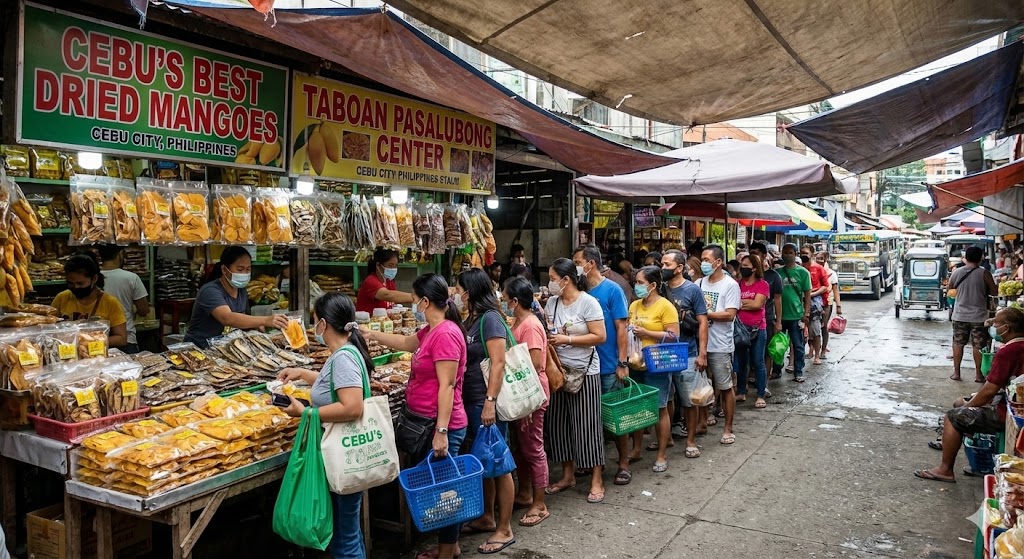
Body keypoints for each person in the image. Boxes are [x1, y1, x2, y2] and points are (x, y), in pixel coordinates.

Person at [362, 274, 467, 559]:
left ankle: (447, 551)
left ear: (426, 301)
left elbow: (447, 386)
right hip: (426, 421)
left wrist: (441, 432)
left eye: (413, 299)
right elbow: (408, 342)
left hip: (439, 423)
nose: (411, 303)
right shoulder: (431, 330)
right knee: (439, 486)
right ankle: (449, 545)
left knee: (445, 490)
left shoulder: (445, 334)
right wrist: (372, 335)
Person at [275, 292, 377, 559]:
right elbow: (333, 383)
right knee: (347, 534)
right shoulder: (345, 352)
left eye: (314, 322)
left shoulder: (343, 356)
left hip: (341, 457)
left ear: (323, 323)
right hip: (342, 456)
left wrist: (306, 412)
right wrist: (303, 374)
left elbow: (352, 406)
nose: (313, 328)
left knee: (344, 541)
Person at [915, 307, 1024, 482]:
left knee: (954, 416)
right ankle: (950, 441)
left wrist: (969, 406)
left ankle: (945, 470)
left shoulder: (1008, 351)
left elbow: (989, 390)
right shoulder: (1017, 346)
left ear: (1007, 328)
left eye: (997, 324)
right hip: (1012, 402)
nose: (993, 328)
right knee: (960, 402)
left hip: (1009, 412)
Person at [454, 269, 515, 554]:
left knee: (499, 465)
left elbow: (499, 362)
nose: (456, 293)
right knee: (484, 463)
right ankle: (487, 517)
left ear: (470, 291)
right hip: (473, 400)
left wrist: (490, 401)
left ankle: (505, 529)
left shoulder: (490, 319)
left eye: (459, 288)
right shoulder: (473, 318)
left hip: (485, 402)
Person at [542, 258, 608, 503]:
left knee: (587, 426)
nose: (550, 283)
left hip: (585, 371)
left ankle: (596, 479)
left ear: (566, 279)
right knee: (559, 426)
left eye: (552, 278)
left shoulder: (589, 303)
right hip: (559, 371)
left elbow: (600, 336)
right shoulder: (552, 303)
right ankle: (568, 475)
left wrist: (566, 340)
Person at [571, 246, 631, 485]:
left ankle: (623, 463)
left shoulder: (612, 290)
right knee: (591, 420)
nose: (575, 266)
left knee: (615, 419)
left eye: (577, 261)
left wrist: (622, 362)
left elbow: (621, 328)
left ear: (590, 264)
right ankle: (594, 461)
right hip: (585, 366)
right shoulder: (580, 291)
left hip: (608, 365)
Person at [503, 277, 551, 527]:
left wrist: (529, 405)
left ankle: (539, 503)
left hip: (530, 393)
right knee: (522, 448)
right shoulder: (518, 322)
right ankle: (525, 493)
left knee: (533, 448)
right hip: (520, 393)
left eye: (505, 295)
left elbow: (534, 363)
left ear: (514, 300)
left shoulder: (530, 325)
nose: (502, 298)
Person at [626, 266, 680, 472]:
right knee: (638, 406)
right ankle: (637, 448)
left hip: (657, 362)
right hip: (635, 361)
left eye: (640, 283)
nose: (637, 286)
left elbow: (674, 335)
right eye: (636, 282)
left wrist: (647, 332)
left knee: (659, 407)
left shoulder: (665, 306)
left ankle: (662, 454)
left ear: (653, 285)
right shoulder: (634, 305)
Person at [185, 246, 288, 348]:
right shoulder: (210, 291)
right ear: (224, 270)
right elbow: (227, 318)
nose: (244, 274)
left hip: (222, 348)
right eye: (240, 269)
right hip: (199, 349)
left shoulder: (241, 290)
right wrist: (265, 320)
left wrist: (255, 326)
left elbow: (241, 318)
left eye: (248, 269)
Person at [661, 250, 708, 457]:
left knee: (690, 400)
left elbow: (703, 322)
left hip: (688, 351)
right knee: (667, 398)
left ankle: (690, 440)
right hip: (663, 353)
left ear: (679, 268)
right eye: (662, 264)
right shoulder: (659, 289)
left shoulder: (692, 290)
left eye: (667, 265)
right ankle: (667, 437)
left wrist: (702, 353)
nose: (663, 268)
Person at [697, 245, 741, 445]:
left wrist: (704, 315)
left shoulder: (730, 285)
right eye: (702, 259)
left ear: (718, 262)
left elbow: (730, 314)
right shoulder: (698, 283)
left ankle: (728, 428)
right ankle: (703, 421)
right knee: (701, 386)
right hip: (700, 345)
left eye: (707, 259)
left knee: (724, 386)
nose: (704, 263)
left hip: (721, 345)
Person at [52, 253, 129, 348]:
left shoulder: (110, 302)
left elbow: (121, 339)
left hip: (98, 354)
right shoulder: (61, 298)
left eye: (80, 283)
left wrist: (87, 342)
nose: (75, 287)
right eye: (71, 283)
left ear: (94, 279)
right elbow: (50, 330)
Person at [949, 246, 997, 382]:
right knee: (978, 345)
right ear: (981, 257)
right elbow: (994, 292)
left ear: (966, 257)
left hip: (959, 315)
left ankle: (957, 373)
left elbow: (950, 290)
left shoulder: (956, 272)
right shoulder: (984, 273)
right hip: (979, 316)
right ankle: (978, 375)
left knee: (958, 343)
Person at [97, 245, 149, 354]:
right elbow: (144, 310)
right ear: (120, 254)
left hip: (98, 340)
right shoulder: (131, 278)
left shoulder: (92, 279)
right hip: (126, 339)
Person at [735, 254, 770, 409]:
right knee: (742, 362)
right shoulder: (737, 284)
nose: (743, 268)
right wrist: (746, 303)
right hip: (740, 328)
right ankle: (742, 391)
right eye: (742, 264)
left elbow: (757, 304)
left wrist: (740, 303)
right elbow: (733, 303)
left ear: (755, 268)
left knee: (758, 361)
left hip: (758, 328)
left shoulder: (762, 284)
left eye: (747, 265)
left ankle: (760, 394)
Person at [777, 244, 812, 382]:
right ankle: (776, 369)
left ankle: (798, 370)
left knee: (798, 345)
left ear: (795, 254)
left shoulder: (803, 273)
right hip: (779, 316)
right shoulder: (777, 273)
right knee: (777, 345)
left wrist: (807, 313)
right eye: (785, 252)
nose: (787, 255)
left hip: (796, 315)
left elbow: (807, 294)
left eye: (790, 253)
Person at [750, 243, 783, 380]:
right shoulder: (746, 276)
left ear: (764, 255)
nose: (753, 255)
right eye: (751, 252)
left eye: (756, 253)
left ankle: (765, 381)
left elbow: (777, 299)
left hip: (766, 319)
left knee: (766, 353)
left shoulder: (773, 276)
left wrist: (778, 322)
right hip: (745, 321)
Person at [355, 248, 414, 314]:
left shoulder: (389, 281)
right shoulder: (371, 281)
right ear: (378, 265)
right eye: (390, 265)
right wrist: (415, 297)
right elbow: (387, 295)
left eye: (395, 266)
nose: (393, 269)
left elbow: (393, 300)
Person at [800, 244, 831, 366]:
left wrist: (812, 294)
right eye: (802, 253)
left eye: (806, 253)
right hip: (800, 300)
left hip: (815, 302)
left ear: (812, 254)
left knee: (816, 329)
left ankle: (817, 355)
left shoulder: (818, 268)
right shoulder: (797, 267)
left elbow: (826, 286)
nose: (803, 256)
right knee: (801, 329)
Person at [816, 251, 842, 358]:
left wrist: (838, 306)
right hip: (814, 301)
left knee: (824, 326)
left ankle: (823, 350)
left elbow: (835, 290)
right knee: (813, 327)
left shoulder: (832, 274)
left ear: (826, 259)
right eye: (817, 258)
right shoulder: (812, 271)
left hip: (827, 302)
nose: (819, 261)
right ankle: (813, 350)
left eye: (821, 259)